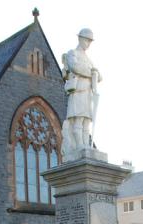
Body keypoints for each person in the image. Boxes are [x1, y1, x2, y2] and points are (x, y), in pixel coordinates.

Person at [61, 28, 102, 157]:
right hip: (78, 91)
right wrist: (91, 73)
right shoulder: (72, 53)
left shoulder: (88, 59)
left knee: (86, 121)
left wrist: (95, 73)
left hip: (87, 93)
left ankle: (85, 144)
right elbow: (75, 67)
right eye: (86, 40)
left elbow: (100, 77)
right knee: (78, 119)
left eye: (90, 41)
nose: (88, 44)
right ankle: (79, 144)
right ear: (80, 39)